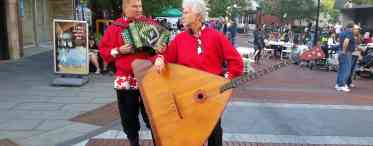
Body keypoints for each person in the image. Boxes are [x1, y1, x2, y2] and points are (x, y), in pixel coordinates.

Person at [153, 0, 243, 145]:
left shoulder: (216, 37)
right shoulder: (180, 39)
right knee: (189, 135)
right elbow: (166, 57)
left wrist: (225, 80)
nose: (182, 15)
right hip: (187, 97)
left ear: (198, 16)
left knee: (214, 133)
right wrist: (159, 58)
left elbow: (237, 62)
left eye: (186, 12)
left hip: (211, 96)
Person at [99, 0, 159, 145]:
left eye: (140, 6)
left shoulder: (149, 24)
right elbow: (103, 51)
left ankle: (158, 141)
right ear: (125, 8)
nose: (139, 9)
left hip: (148, 78)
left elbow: (160, 49)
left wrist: (158, 56)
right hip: (125, 80)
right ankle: (134, 142)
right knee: (128, 117)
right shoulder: (115, 27)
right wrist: (119, 50)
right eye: (135, 6)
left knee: (154, 117)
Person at [335, 23, 358, 92]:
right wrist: (344, 50)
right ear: (352, 27)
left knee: (341, 69)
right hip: (346, 53)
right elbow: (346, 41)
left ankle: (338, 84)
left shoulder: (342, 32)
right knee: (346, 69)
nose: (355, 30)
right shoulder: (350, 32)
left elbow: (341, 41)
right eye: (355, 28)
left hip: (341, 52)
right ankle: (342, 85)